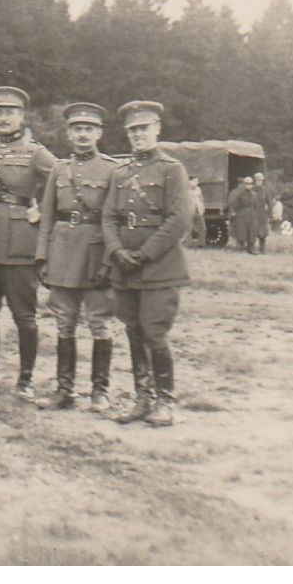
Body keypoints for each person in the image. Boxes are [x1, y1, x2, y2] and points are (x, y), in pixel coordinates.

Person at [102, 100, 192, 428]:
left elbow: (179, 220)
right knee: (133, 331)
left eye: (143, 128)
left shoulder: (172, 169)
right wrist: (116, 252)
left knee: (154, 333)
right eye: (132, 130)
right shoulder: (120, 172)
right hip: (125, 266)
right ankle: (142, 398)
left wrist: (144, 254)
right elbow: (109, 217)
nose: (138, 135)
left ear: (157, 130)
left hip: (159, 267)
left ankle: (165, 402)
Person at [33, 103, 118, 412]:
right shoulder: (59, 169)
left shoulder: (111, 170)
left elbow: (114, 220)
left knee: (99, 323)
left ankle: (100, 391)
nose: (83, 135)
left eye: (89, 129)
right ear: (68, 133)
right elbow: (47, 217)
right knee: (64, 323)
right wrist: (42, 257)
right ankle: (64, 390)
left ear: (99, 133)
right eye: (77, 129)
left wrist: (110, 260)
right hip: (63, 253)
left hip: (96, 254)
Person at [0, 86, 57, 401]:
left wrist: (42, 210)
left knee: (25, 316)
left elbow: (62, 183)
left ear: (22, 116)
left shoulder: (36, 153)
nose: (4, 118)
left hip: (21, 244)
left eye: (10, 112)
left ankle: (25, 380)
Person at [226, 176, 258, 253]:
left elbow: (255, 206)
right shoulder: (239, 194)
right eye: (247, 184)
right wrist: (235, 213)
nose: (249, 185)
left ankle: (251, 248)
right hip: (242, 215)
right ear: (244, 184)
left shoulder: (254, 194)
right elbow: (234, 205)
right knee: (241, 232)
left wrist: (254, 214)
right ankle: (240, 247)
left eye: (250, 184)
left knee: (252, 232)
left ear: (252, 185)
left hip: (251, 215)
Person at [253, 171, 271, 254]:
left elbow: (269, 203)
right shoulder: (252, 190)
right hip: (253, 213)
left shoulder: (265, 191)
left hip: (262, 213)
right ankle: (252, 248)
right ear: (255, 181)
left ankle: (262, 249)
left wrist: (269, 214)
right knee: (253, 230)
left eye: (261, 180)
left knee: (263, 232)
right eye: (258, 180)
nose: (259, 182)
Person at [187, 176, 207, 247]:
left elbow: (201, 198)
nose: (197, 183)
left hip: (198, 211)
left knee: (202, 227)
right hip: (189, 211)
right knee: (188, 229)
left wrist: (203, 207)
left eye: (197, 181)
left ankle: (201, 244)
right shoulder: (185, 190)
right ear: (190, 181)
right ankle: (188, 244)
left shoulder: (198, 189)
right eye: (195, 181)